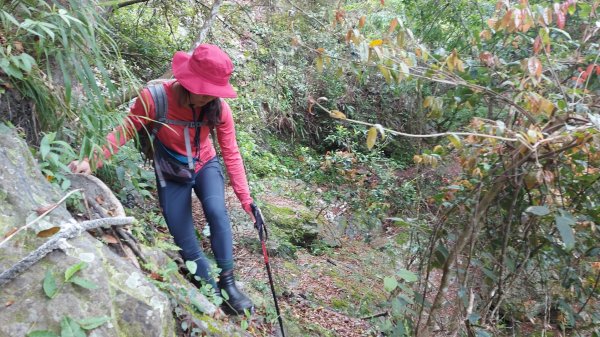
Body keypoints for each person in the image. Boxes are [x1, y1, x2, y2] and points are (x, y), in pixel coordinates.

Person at [69, 44, 254, 315]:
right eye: (204, 91)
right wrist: (90, 160)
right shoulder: (154, 99)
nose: (208, 97)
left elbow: (231, 152)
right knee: (184, 237)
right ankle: (211, 289)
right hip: (171, 169)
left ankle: (228, 283)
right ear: (188, 80)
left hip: (205, 164)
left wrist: (246, 199)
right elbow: (124, 131)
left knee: (217, 212)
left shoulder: (219, 109)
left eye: (213, 92)